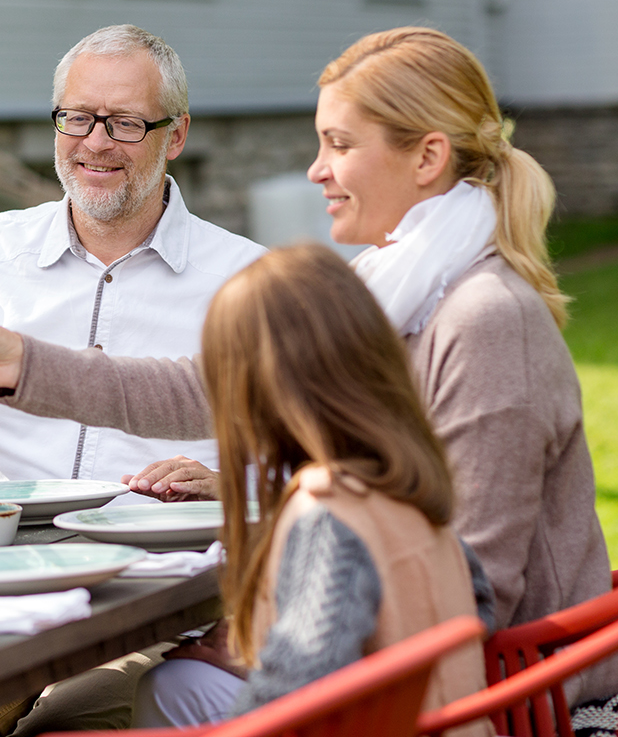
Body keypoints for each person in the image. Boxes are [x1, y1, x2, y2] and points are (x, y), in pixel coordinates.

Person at [0, 27, 618, 716]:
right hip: (415, 660)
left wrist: (266, 641)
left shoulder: (483, 318)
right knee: (171, 686)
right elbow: (209, 390)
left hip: (509, 700)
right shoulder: (394, 291)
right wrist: (19, 363)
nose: (316, 170)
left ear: (427, 159)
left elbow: (474, 580)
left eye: (341, 144)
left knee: (158, 694)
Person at [0, 25, 264, 523]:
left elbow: (310, 444)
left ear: (176, 136)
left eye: (124, 123)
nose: (95, 143)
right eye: (77, 118)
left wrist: (235, 487)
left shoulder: (248, 278)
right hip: (3, 544)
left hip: (165, 555)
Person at [132, 243, 492, 730]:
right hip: (444, 718)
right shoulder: (403, 478)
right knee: (178, 684)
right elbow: (480, 606)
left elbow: (299, 685)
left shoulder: (325, 511)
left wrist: (255, 665)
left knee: (164, 688)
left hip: (375, 724)